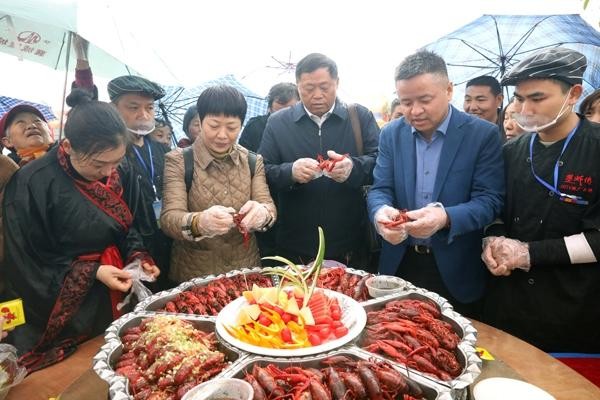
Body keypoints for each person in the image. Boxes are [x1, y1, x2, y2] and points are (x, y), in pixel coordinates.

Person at [1, 90, 159, 371]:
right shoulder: (31, 183)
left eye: (116, 161)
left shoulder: (121, 169)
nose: (109, 170)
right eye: (99, 164)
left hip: (117, 288)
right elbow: (27, 259)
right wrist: (93, 271)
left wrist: (137, 256)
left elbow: (131, 225)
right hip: (67, 305)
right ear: (69, 146)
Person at [367, 50, 504, 317]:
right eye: (406, 102)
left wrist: (445, 217)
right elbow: (380, 188)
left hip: (456, 267)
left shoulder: (482, 135)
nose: (415, 111)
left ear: (449, 90)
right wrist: (380, 213)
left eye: (425, 100)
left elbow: (490, 200)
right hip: (401, 262)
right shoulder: (392, 134)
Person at [482, 47, 600, 352]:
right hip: (508, 304)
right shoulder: (511, 151)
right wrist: (492, 241)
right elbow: (494, 207)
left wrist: (529, 253)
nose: (525, 109)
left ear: (573, 94)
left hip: (571, 308)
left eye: (537, 98)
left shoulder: (595, 148)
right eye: (519, 99)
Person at [259, 53, 379, 268]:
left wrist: (353, 168)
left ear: (337, 83)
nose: (317, 95)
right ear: (297, 86)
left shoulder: (360, 117)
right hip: (294, 244)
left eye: (324, 87)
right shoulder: (278, 123)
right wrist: (290, 172)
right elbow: (262, 171)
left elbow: (380, 163)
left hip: (349, 242)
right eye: (308, 88)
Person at [160, 85, 276, 283]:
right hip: (196, 274)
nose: (223, 135)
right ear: (201, 121)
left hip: (245, 271)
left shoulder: (252, 161)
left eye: (232, 127)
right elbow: (169, 218)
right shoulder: (178, 161)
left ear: (241, 125)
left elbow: (269, 207)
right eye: (214, 126)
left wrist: (262, 213)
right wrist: (200, 223)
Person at [107, 75, 173, 289]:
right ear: (114, 109)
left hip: (168, 239)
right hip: (132, 247)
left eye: (150, 108)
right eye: (133, 107)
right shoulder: (111, 156)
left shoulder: (162, 150)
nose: (143, 114)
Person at [239, 82, 300, 152]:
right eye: (278, 113)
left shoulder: (305, 128)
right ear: (269, 109)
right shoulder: (254, 126)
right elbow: (242, 156)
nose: (284, 118)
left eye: (290, 112)